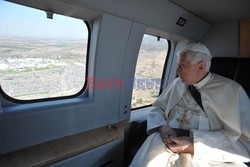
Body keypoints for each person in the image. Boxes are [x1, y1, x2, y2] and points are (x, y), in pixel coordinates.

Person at [129, 43, 250, 167]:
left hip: (205, 152)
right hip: (164, 142)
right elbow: (157, 107)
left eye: (182, 66)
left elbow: (244, 141)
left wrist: (193, 145)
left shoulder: (232, 90)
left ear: (201, 67)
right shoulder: (177, 83)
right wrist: (162, 126)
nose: (176, 71)